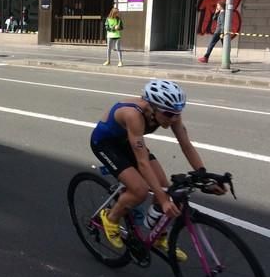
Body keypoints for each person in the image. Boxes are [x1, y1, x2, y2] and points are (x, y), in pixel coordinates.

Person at [91, 80, 226, 259]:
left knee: (165, 189)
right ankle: (110, 218)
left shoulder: (171, 113)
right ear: (152, 107)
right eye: (169, 114)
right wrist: (162, 201)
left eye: (177, 114)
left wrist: (204, 175)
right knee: (139, 191)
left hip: (130, 142)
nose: (173, 119)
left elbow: (185, 144)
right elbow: (143, 163)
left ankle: (158, 237)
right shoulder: (133, 115)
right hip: (107, 144)